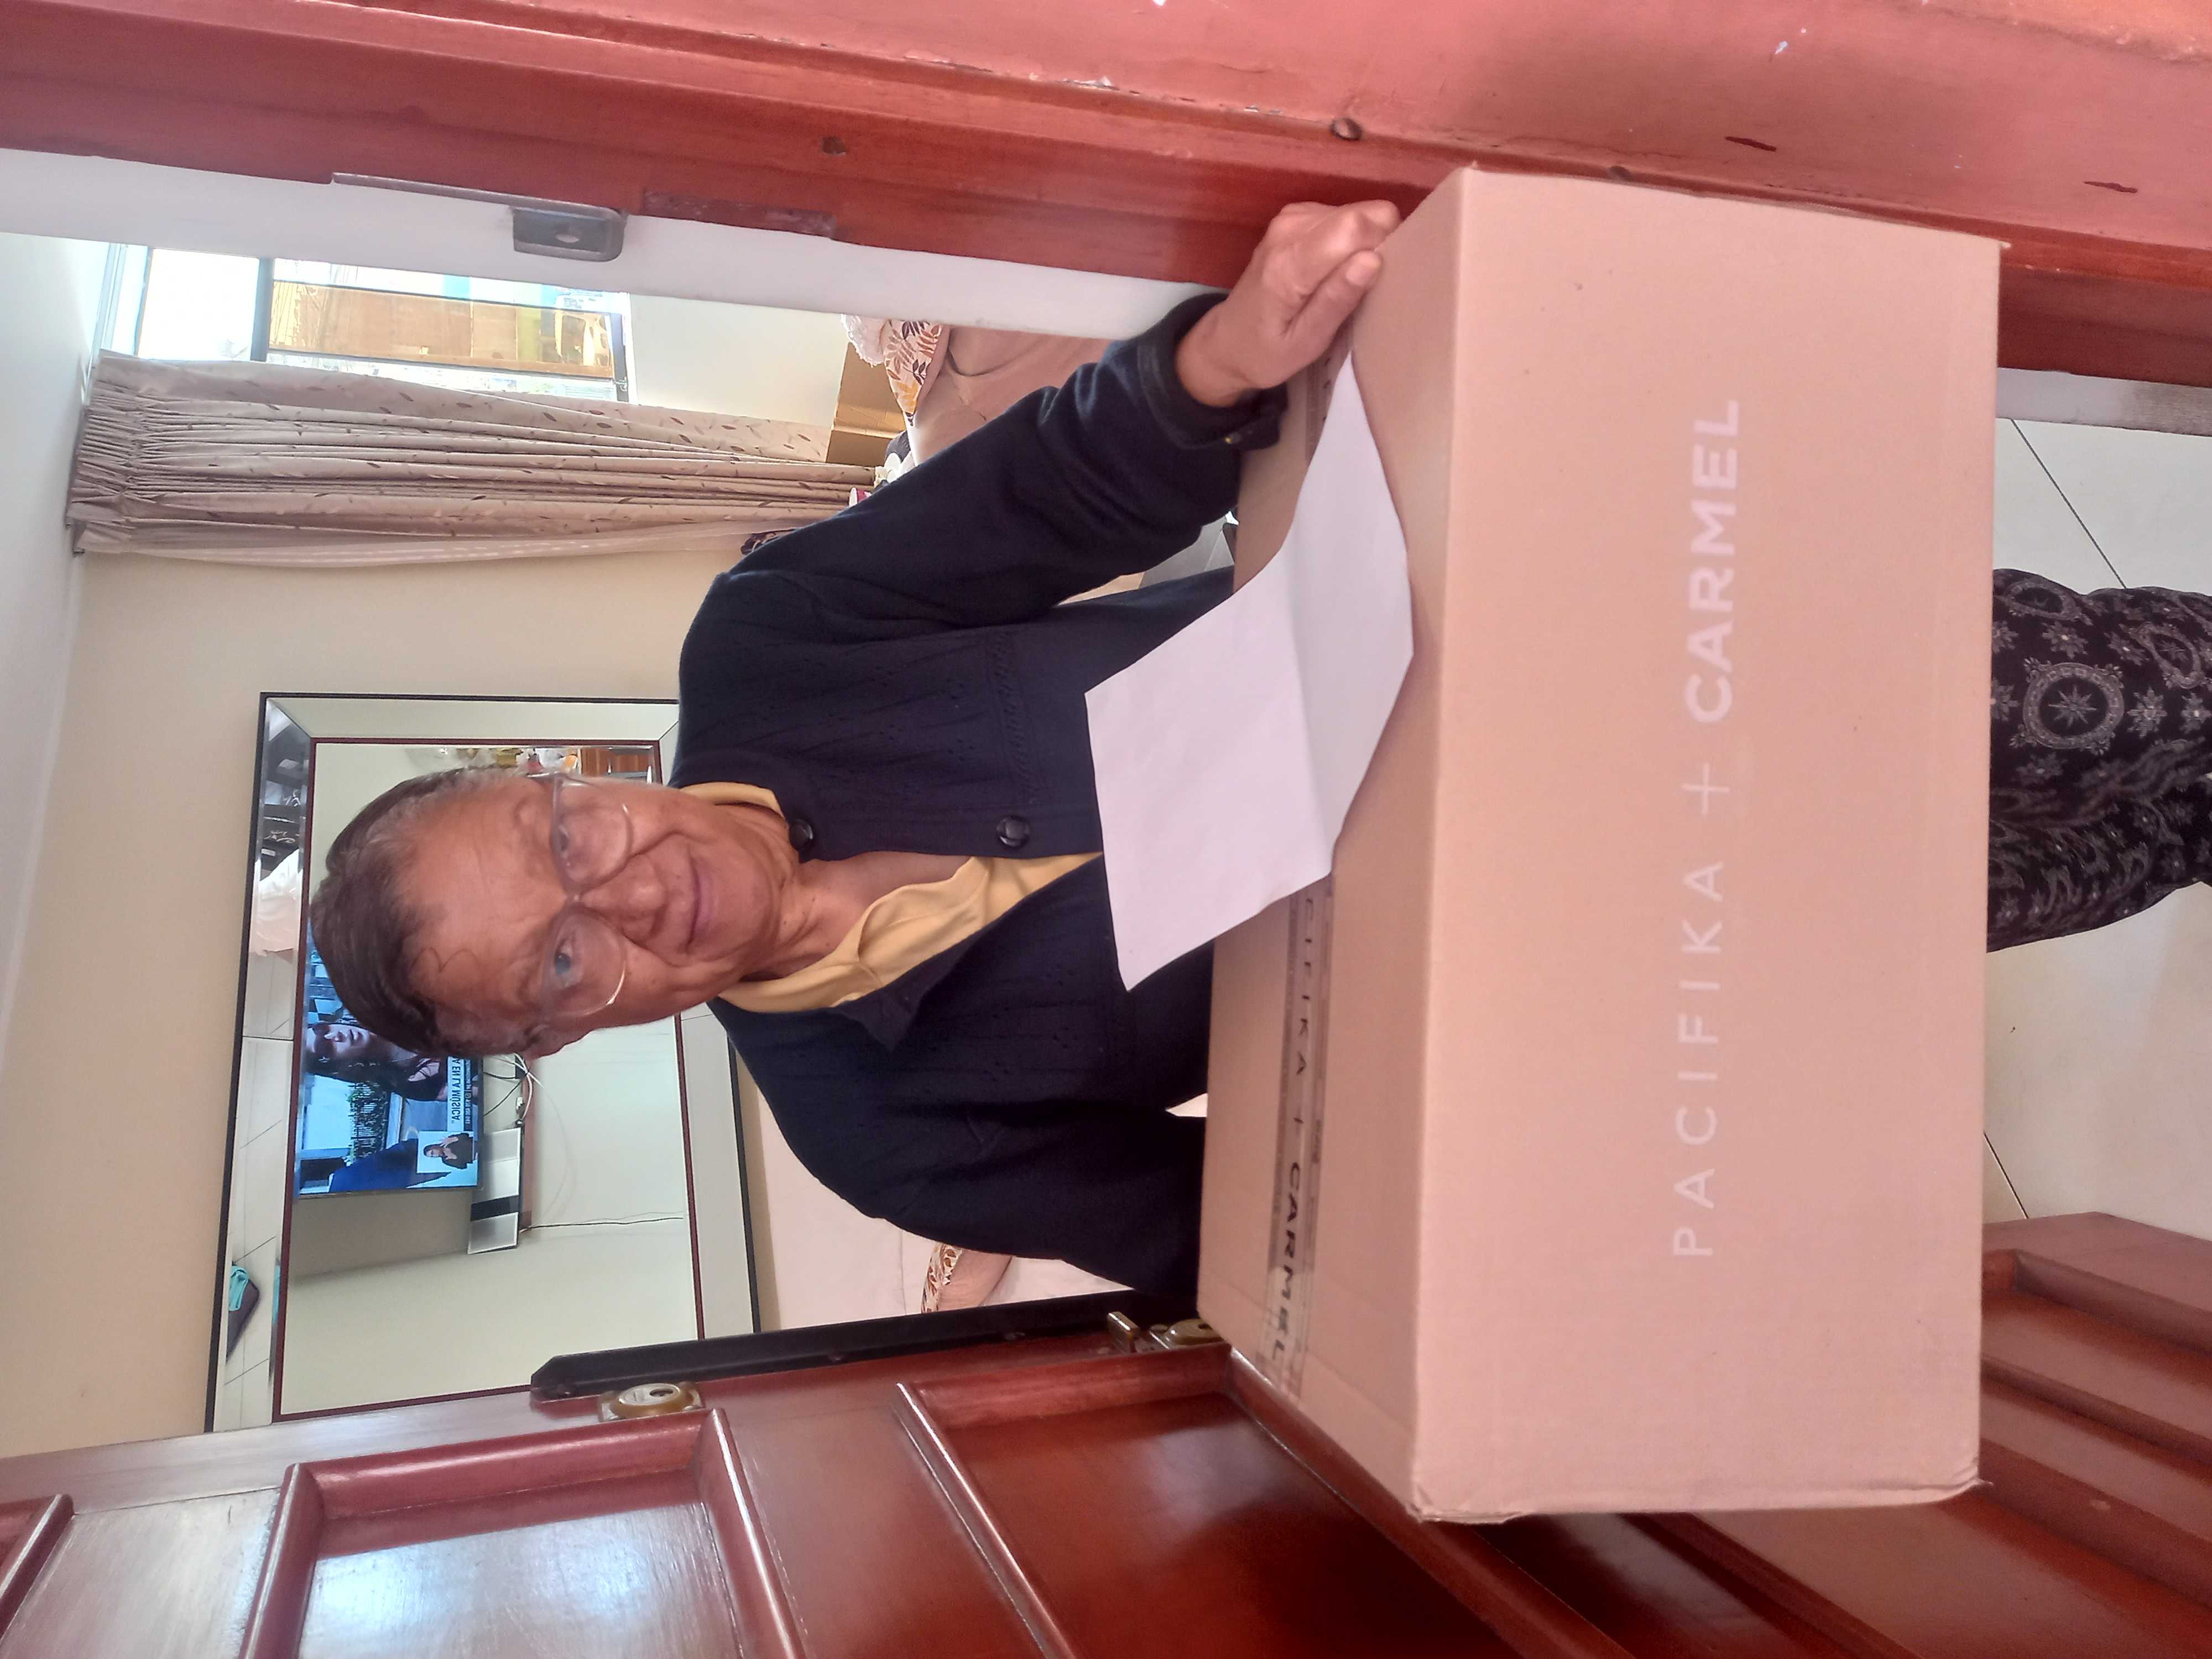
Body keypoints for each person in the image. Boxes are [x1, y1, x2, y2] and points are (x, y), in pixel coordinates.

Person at [306, 198, 2212, 1298]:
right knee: (2025, 868)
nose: (630, 895)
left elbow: (1044, 497)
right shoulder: (873, 1132)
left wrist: (1215, 365)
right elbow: (1224, 1230)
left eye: (563, 842)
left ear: (560, 777)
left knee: (2061, 686)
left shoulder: (770, 646)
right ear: (559, 1041)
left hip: (1537, 654)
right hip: (1604, 953)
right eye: (564, 962)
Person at [302, 1019, 448, 1101]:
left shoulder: (397, 1008)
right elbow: (459, 1097)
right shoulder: (409, 1082)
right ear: (336, 1064)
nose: (337, 1035)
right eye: (325, 1047)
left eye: (323, 1029)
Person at [325, 1132, 476, 1192]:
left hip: (404, 1174)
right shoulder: (341, 1177)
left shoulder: (343, 1182)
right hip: (404, 1173)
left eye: (432, 1153)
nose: (435, 1155)